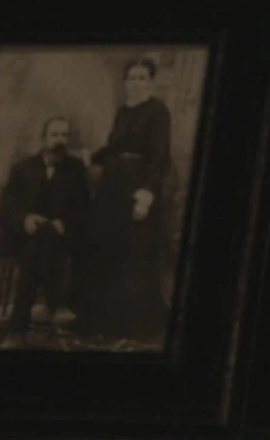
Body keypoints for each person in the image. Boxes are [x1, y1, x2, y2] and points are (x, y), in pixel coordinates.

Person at [76, 57, 172, 343]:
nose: (136, 83)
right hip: (112, 187)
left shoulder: (158, 112)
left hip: (136, 187)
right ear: (125, 82)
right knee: (105, 246)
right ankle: (99, 320)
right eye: (132, 78)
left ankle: (130, 325)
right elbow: (114, 148)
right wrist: (92, 157)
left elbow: (159, 157)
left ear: (150, 82)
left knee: (132, 253)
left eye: (142, 78)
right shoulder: (122, 111)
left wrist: (146, 194)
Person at [0, 116, 89, 348]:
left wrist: (65, 223)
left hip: (60, 238)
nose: (60, 140)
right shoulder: (22, 168)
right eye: (55, 135)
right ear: (43, 138)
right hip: (26, 235)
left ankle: (18, 326)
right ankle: (56, 308)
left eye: (64, 135)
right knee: (37, 243)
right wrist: (25, 219)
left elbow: (83, 208)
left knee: (39, 245)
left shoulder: (76, 169)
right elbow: (6, 206)